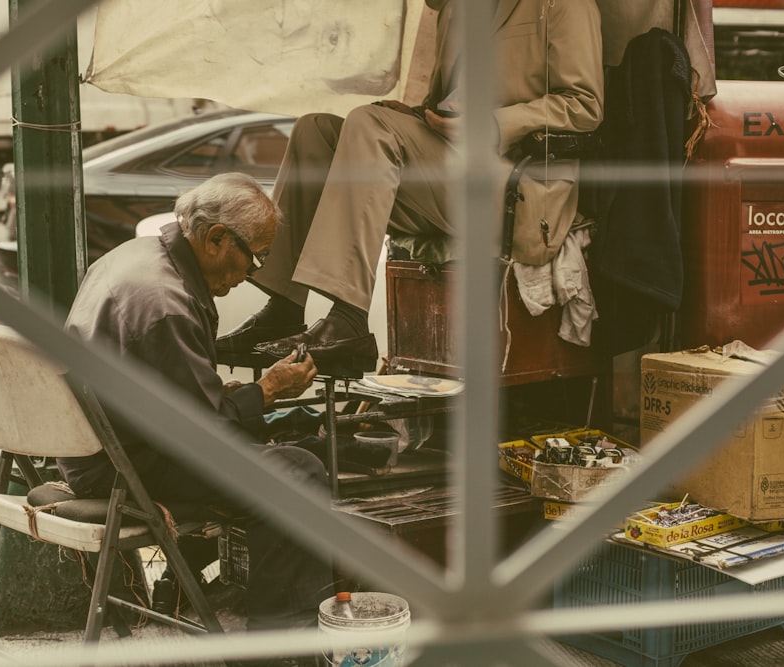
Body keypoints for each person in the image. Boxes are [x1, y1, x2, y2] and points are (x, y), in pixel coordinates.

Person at [216, 0, 604, 367]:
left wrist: (491, 124)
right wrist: (417, 115)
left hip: (516, 184)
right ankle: (285, 309)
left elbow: (585, 106)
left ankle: (348, 319)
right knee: (313, 130)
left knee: (369, 124)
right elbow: (446, 102)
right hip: (452, 171)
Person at [55, 172, 334, 650]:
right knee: (299, 470)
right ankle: (281, 646)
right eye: (256, 256)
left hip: (100, 446)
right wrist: (267, 389)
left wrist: (222, 392)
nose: (252, 271)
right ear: (216, 239)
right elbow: (203, 431)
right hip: (121, 467)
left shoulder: (133, 255)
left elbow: (173, 392)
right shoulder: (168, 304)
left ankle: (189, 583)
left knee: (289, 449)